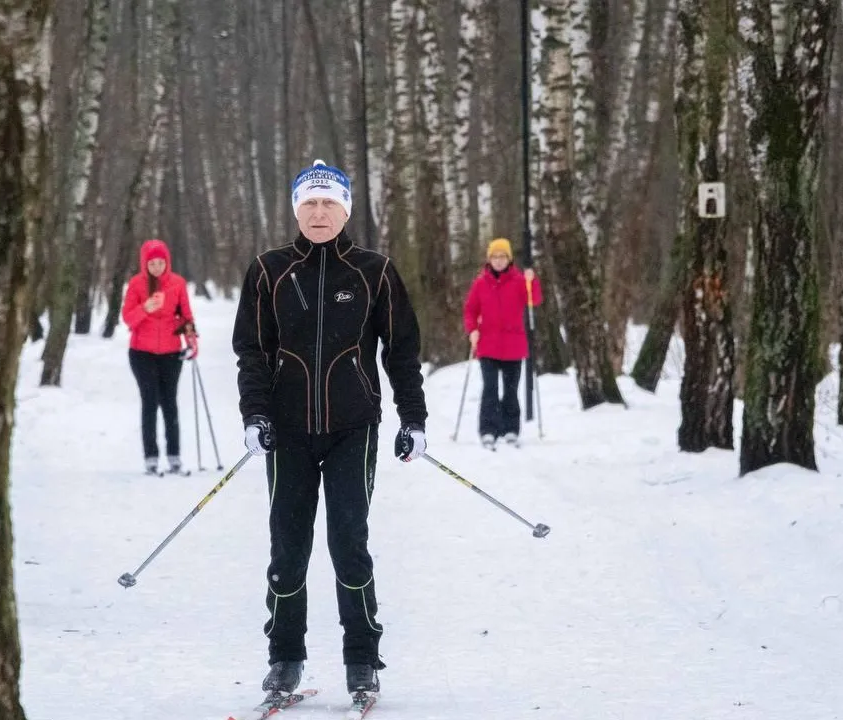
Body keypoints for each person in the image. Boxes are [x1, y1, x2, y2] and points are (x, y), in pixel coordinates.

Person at [232, 160, 428, 700]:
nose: (319, 213)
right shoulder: (269, 271)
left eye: (329, 204)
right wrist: (256, 415)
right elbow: (252, 350)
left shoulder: (376, 271)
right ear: (297, 210)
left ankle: (362, 659)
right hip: (287, 431)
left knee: (349, 544)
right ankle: (285, 658)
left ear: (346, 210)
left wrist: (414, 419)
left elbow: (402, 351)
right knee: (288, 549)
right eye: (310, 204)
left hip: (353, 428)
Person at [122, 238, 198, 475]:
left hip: (171, 352)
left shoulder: (177, 284)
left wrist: (192, 341)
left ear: (167, 262)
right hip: (141, 353)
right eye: (152, 263)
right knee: (150, 402)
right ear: (145, 263)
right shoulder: (136, 285)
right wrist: (145, 309)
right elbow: (127, 318)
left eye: (161, 262)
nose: (157, 267)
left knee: (169, 402)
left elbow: (186, 316)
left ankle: (174, 456)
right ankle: (151, 457)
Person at [462, 237, 541, 450]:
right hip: (488, 345)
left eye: (502, 256)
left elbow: (534, 300)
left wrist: (531, 281)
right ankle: (488, 430)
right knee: (490, 388)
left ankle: (511, 429)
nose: (498, 260)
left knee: (511, 390)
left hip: (514, 346)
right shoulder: (481, 283)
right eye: (494, 256)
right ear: (489, 259)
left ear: (509, 259)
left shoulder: (519, 280)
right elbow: (470, 310)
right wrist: (472, 331)